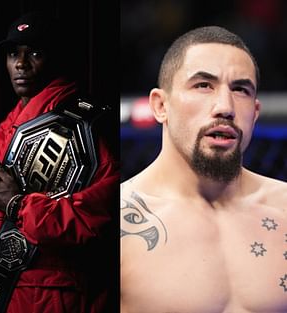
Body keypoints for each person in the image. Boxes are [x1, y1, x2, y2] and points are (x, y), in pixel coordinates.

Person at [120, 26, 287, 312]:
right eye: (203, 85)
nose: (225, 106)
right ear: (161, 106)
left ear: (255, 113)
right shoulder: (117, 222)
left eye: (240, 89)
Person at [0, 11, 119, 313]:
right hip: (0, 293)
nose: (21, 64)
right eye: (13, 54)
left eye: (34, 53)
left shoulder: (83, 124)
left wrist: (17, 206)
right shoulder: (5, 131)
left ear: (54, 58)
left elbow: (98, 219)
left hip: (50, 297)